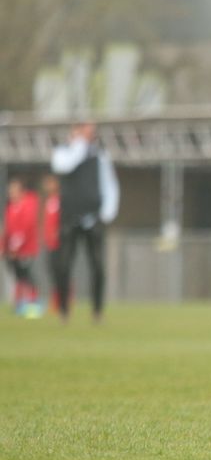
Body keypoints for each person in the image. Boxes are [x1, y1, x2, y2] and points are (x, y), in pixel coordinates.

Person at [51, 122, 120, 324]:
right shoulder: (63, 153)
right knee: (63, 265)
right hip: (70, 217)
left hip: (93, 217)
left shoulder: (100, 156)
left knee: (98, 266)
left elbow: (110, 184)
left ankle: (97, 311)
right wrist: (79, 147)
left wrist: (107, 211)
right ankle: (64, 310)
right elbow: (64, 166)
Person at [3, 177, 42, 317]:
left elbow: (26, 228)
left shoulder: (28, 205)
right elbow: (8, 230)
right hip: (13, 251)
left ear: (21, 191)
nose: (11, 193)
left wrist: (15, 247)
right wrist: (4, 247)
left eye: (14, 190)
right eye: (10, 190)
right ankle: (21, 304)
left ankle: (34, 304)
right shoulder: (10, 208)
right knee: (18, 276)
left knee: (27, 276)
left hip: (26, 249)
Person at [41, 174, 63, 315]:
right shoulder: (48, 201)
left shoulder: (60, 201)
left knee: (60, 272)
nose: (47, 186)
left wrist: (58, 233)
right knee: (52, 272)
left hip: (59, 244)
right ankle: (55, 301)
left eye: (50, 183)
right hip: (49, 243)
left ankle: (62, 301)